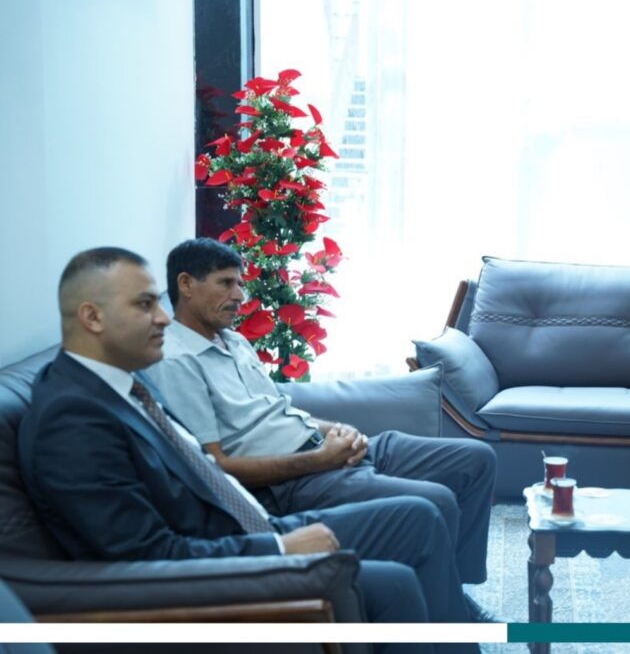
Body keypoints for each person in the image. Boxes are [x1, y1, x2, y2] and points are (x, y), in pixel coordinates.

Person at [18, 247, 478, 653]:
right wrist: (277, 546)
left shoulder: (121, 383)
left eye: (157, 302)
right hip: (228, 554)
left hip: (248, 524)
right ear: (92, 317)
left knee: (417, 517)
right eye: (145, 305)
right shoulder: (71, 419)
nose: (162, 317)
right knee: (396, 578)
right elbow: (144, 554)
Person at [143, 238, 499, 622]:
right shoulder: (175, 361)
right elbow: (217, 467)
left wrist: (339, 430)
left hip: (320, 448)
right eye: (225, 283)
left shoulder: (233, 339)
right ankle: (454, 619)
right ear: (186, 284)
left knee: (475, 459)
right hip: (293, 480)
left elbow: (279, 408)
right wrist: (320, 460)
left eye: (239, 283)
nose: (239, 295)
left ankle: (454, 592)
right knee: (436, 501)